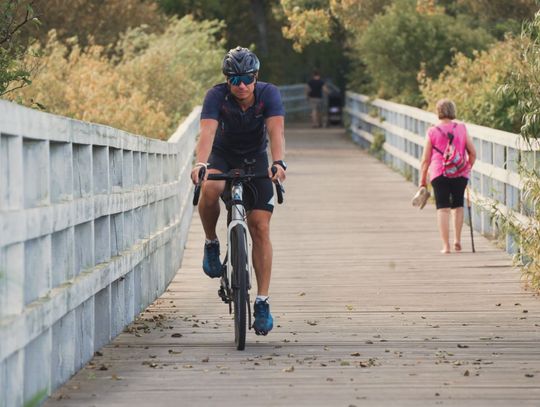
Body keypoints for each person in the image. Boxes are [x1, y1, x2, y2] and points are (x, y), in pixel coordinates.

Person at [190, 46, 286, 336]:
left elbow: (276, 131)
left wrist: (279, 163)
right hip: (222, 155)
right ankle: (211, 242)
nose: (241, 85)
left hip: (255, 158)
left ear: (256, 77)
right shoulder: (216, 96)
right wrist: (201, 163)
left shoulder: (269, 94)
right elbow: (206, 132)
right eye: (234, 79)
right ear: (226, 80)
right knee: (211, 186)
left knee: (260, 228)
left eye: (246, 78)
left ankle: (262, 301)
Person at [419, 99, 476, 254]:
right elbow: (473, 152)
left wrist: (422, 181)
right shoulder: (462, 128)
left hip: (439, 172)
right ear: (452, 111)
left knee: (443, 208)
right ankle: (457, 240)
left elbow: (425, 159)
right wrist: (466, 168)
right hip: (459, 172)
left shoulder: (432, 132)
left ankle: (446, 246)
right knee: (457, 206)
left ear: (438, 112)